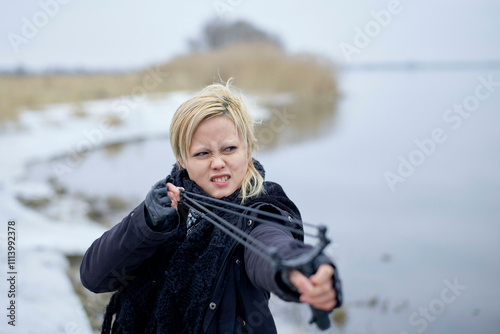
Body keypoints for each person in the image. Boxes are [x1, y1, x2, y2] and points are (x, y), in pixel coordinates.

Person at [80, 81, 341, 333]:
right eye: (202, 153)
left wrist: (296, 268)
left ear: (248, 150)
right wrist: (145, 224)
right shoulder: (169, 201)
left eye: (229, 149)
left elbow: (269, 243)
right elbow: (95, 277)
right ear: (182, 159)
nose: (218, 163)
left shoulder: (262, 206)